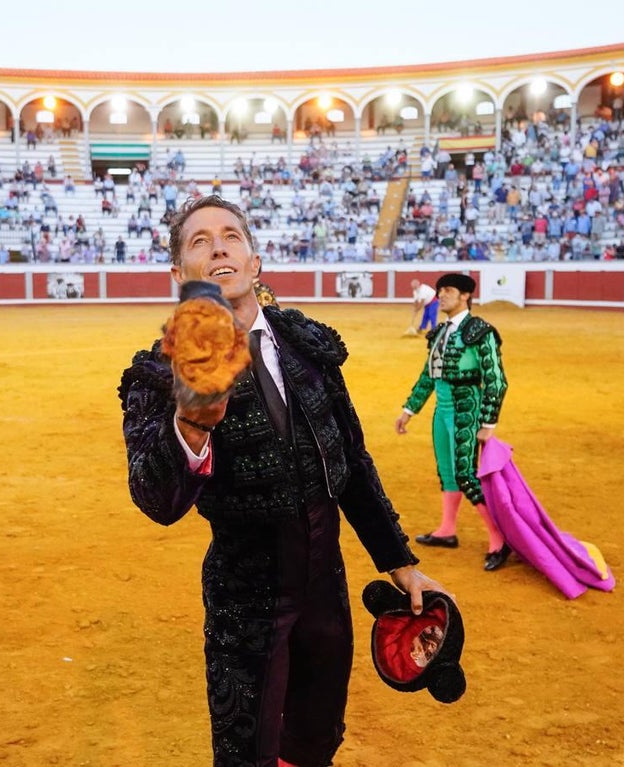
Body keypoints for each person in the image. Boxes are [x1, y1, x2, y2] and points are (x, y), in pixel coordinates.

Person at [119, 196, 440, 767]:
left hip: (325, 585)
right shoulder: (161, 372)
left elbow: (352, 461)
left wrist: (399, 559)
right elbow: (156, 499)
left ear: (254, 260)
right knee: (247, 752)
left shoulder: (307, 344)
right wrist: (189, 423)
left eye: (230, 236)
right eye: (199, 241)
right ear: (178, 274)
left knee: (316, 738)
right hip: (246, 595)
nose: (218, 246)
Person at [394, 273, 511, 571]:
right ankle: (447, 530)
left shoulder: (480, 331)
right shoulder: (439, 332)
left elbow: (496, 380)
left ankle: (499, 539)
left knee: (466, 474)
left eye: (448, 291)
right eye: (440, 290)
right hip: (441, 409)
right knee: (447, 472)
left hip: (466, 407)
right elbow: (427, 376)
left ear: (465, 296)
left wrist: (488, 423)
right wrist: (409, 409)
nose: (441, 295)